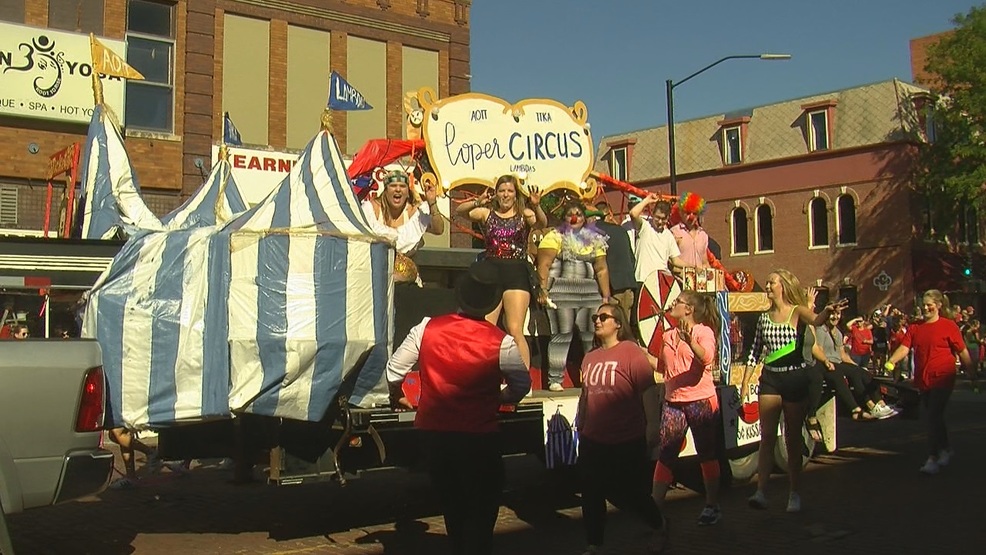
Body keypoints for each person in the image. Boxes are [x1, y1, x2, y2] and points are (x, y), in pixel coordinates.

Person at [386, 260, 531, 555]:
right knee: (482, 509)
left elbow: (393, 371)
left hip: (436, 435)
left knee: (452, 505)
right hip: (479, 436)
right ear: (491, 303)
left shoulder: (427, 327)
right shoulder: (500, 341)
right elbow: (521, 385)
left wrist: (397, 395)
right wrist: (499, 399)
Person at [740, 269, 846, 513]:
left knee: (792, 437)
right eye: (767, 282)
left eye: (771, 282)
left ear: (783, 286)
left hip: (795, 376)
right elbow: (754, 351)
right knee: (766, 436)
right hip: (771, 378)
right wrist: (746, 381)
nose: (767, 286)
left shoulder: (797, 311)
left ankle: (794, 492)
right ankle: (761, 491)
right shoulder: (764, 317)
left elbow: (816, 320)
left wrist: (827, 311)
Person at [577, 303, 667, 554]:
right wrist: (581, 423)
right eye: (595, 317)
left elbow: (648, 391)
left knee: (632, 493)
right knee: (591, 494)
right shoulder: (590, 357)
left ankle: (658, 523)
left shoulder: (631, 352)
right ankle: (594, 543)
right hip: (593, 439)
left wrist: (653, 425)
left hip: (627, 438)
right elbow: (586, 395)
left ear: (618, 324)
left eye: (603, 317)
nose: (597, 321)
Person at [456, 174, 546, 368]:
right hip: (491, 272)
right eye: (502, 191)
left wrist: (537, 205)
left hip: (517, 274)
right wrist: (476, 201)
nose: (505, 195)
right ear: (496, 194)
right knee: (486, 327)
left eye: (510, 191)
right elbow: (460, 212)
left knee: (514, 328)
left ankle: (523, 377)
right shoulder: (486, 213)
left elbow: (542, 223)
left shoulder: (525, 215)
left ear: (515, 195)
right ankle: (485, 373)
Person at [650, 290, 722, 526]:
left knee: (706, 453)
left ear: (689, 309)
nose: (672, 304)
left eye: (677, 301)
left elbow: (708, 357)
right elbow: (662, 367)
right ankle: (654, 509)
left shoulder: (703, 332)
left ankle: (712, 505)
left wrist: (691, 341)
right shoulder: (667, 335)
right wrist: (637, 352)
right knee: (666, 454)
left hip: (700, 401)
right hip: (674, 402)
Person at [885, 290, 975, 475]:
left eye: (929, 304)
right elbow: (904, 348)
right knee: (936, 416)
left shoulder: (948, 326)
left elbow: (962, 351)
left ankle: (932, 457)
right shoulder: (915, 327)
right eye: (923, 304)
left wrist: (972, 373)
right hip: (923, 379)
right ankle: (946, 448)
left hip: (943, 377)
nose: (925, 308)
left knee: (933, 415)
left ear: (939, 305)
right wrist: (892, 361)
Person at [536, 200, 611, 391]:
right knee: (562, 334)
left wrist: (605, 296)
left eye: (578, 213)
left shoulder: (595, 239)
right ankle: (555, 379)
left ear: (584, 217)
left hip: (590, 294)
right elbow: (543, 264)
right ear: (565, 218)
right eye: (570, 214)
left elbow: (601, 269)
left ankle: (591, 378)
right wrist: (543, 290)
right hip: (561, 293)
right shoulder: (555, 237)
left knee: (591, 336)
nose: (575, 217)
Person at [805, 310, 898, 438]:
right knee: (843, 374)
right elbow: (818, 350)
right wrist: (826, 362)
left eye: (837, 314)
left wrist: (855, 366)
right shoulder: (820, 330)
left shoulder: (837, 332)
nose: (835, 317)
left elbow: (843, 354)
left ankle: (879, 403)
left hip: (838, 362)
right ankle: (862, 407)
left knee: (861, 373)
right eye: (832, 314)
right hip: (826, 363)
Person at [361, 170, 443, 282]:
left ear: (408, 192)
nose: (398, 189)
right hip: (374, 280)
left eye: (403, 186)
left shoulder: (416, 213)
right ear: (385, 190)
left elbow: (439, 230)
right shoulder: (371, 210)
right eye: (393, 185)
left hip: (407, 285)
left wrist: (432, 203)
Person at [593, 200, 637, 316]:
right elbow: (632, 259)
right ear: (609, 214)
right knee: (624, 328)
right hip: (627, 286)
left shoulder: (591, 232)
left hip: (606, 289)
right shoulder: (621, 230)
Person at [629, 194, 685, 284]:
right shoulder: (644, 226)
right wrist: (647, 200)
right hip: (643, 279)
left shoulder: (668, 235)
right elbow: (633, 213)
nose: (660, 221)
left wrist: (694, 266)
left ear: (668, 218)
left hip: (662, 280)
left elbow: (676, 260)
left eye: (663, 219)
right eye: (657, 217)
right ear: (652, 214)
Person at [669, 192, 711, 269]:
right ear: (681, 213)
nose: (691, 217)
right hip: (681, 279)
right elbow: (671, 261)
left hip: (699, 279)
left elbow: (705, 262)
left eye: (694, 213)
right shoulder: (674, 232)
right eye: (688, 213)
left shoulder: (703, 235)